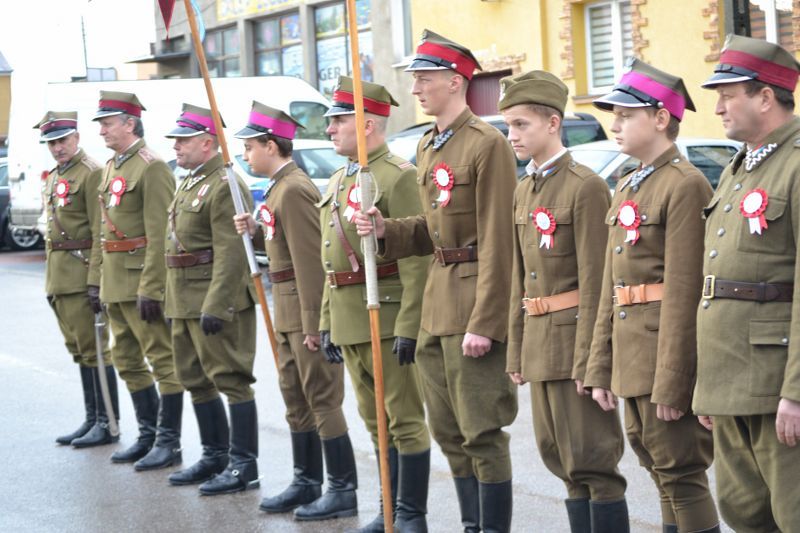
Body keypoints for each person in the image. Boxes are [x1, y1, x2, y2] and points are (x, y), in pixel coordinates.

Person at [354, 30, 518, 533]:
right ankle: (471, 526)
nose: (416, 89)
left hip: (472, 305)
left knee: (482, 433)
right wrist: (387, 229)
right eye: (415, 79)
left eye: (424, 79)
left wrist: (487, 321)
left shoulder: (487, 144)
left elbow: (498, 239)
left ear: (455, 81)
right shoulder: (429, 144)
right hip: (437, 303)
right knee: (449, 432)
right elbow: (430, 229)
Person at [583, 59, 720, 533]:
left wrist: (675, 380)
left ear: (661, 118)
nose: (614, 124)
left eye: (626, 115)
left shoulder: (685, 184)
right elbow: (611, 288)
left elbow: (684, 291)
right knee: (656, 468)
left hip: (663, 357)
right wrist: (600, 367)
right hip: (633, 357)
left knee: (681, 473)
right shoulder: (628, 183)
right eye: (613, 115)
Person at [499, 71, 629, 532]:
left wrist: (593, 363)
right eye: (509, 125)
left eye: (521, 125)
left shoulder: (585, 186)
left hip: (575, 344)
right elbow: (519, 281)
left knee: (594, 462)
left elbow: (598, 282)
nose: (512, 135)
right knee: (561, 461)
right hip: (539, 344)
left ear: (553, 123)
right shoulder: (524, 189)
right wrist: (516, 350)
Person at [312, 76, 431, 531]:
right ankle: (389, 510)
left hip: (386, 315)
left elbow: (417, 257)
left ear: (367, 124)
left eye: (338, 120)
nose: (329, 130)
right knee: (375, 424)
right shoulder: (341, 177)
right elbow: (331, 258)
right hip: (349, 317)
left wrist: (409, 324)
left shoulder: (395, 176)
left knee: (404, 420)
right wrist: (326, 320)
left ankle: (410, 516)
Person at [694, 34, 800, 532]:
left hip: (775, 378)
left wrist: (797, 391)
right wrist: (707, 388)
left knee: (793, 512)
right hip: (731, 378)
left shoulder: (796, 163)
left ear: (764, 96)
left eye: (727, 93)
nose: (717, 108)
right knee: (744, 514)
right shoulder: (740, 166)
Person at [231, 102, 353, 513]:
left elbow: (310, 263)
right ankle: (306, 481)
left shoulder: (295, 188)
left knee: (321, 397)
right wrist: (256, 230)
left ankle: (342, 489)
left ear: (271, 145)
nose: (246, 156)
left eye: (250, 147)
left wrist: (314, 324)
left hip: (302, 310)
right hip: (286, 310)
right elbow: (281, 249)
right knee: (295, 397)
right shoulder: (279, 188)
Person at [161, 103, 260, 495]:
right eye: (176, 140)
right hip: (184, 299)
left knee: (232, 380)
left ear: (207, 142)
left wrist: (217, 304)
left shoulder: (225, 183)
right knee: (195, 380)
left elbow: (232, 251)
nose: (176, 147)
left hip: (214, 299)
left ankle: (243, 466)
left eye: (183, 140)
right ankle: (214, 455)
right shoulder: (188, 180)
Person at [92, 91, 184, 471]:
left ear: (130, 123)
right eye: (100, 124)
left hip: (139, 282)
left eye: (108, 123)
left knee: (161, 360)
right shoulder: (113, 166)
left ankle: (169, 441)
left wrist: (152, 286)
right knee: (127, 359)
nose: (101, 131)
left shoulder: (152, 167)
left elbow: (161, 232)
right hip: (115, 281)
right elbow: (104, 230)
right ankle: (147, 435)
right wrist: (96, 280)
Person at [36, 111, 119, 448]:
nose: (57, 148)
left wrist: (96, 280)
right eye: (52, 143)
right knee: (80, 351)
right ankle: (92, 418)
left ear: (76, 137)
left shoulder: (92, 173)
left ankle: (108, 422)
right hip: (60, 274)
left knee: (96, 351)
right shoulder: (56, 176)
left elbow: (101, 231)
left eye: (62, 140)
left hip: (82, 271)